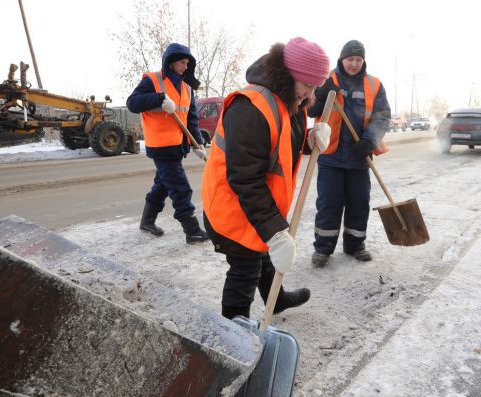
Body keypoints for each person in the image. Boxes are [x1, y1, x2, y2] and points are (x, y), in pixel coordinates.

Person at [201, 37, 332, 319]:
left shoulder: (291, 100)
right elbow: (245, 179)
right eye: (307, 85)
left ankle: (278, 298)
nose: (309, 93)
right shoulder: (251, 108)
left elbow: (280, 146)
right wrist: (274, 231)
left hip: (256, 204)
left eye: (315, 87)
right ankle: (232, 334)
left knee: (263, 253)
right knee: (246, 268)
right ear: (288, 75)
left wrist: (310, 141)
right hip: (232, 207)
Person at [308, 40, 391, 268]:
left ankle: (355, 245)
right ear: (341, 59)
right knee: (328, 204)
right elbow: (309, 109)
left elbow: (383, 115)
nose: (354, 64)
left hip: (359, 156)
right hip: (330, 155)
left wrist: (369, 140)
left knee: (358, 203)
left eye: (358, 59)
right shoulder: (326, 80)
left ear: (363, 61)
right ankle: (323, 249)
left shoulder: (374, 85)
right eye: (350, 59)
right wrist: (322, 95)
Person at [127, 43, 209, 244]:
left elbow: (191, 119)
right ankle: (192, 231)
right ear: (171, 62)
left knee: (163, 184)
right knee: (180, 188)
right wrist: (159, 99)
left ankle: (147, 221)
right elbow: (132, 103)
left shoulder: (187, 88)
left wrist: (197, 144)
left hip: (177, 145)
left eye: (187, 63)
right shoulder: (153, 81)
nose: (185, 66)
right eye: (182, 62)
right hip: (161, 146)